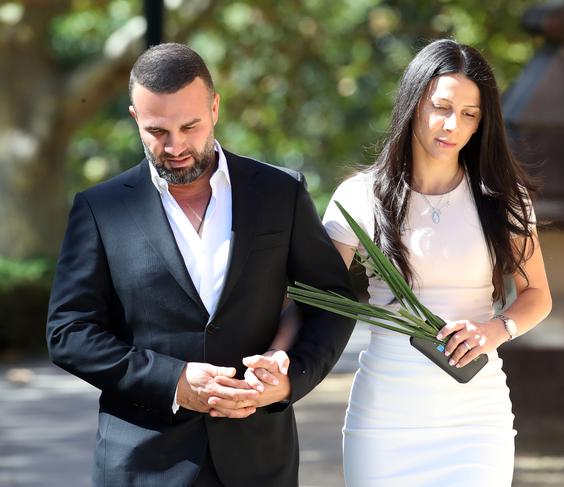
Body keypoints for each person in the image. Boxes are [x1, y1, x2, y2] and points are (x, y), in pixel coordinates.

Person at [46, 43, 355, 487]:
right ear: (135, 118)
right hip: (142, 465)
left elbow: (331, 299)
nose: (175, 147)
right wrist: (173, 380)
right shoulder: (99, 209)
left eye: (190, 126)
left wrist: (290, 381)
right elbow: (68, 333)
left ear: (214, 108)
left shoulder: (279, 192)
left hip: (259, 461)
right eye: (157, 131)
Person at [322, 39, 552, 486]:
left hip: (475, 420)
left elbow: (537, 295)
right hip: (385, 418)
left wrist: (495, 329)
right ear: (413, 102)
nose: (452, 125)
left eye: (469, 115)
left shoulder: (503, 198)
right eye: (441, 106)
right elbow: (312, 294)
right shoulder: (359, 197)